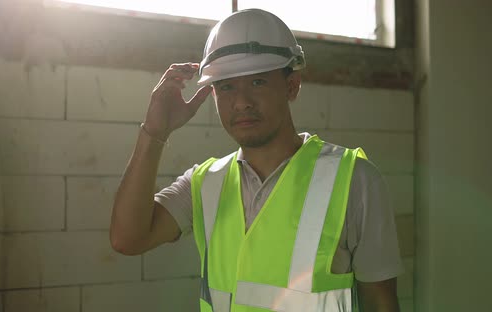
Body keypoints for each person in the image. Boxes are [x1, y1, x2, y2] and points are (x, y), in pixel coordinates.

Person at [111, 8, 403, 312]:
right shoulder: (205, 184)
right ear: (213, 95)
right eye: (226, 87)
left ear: (292, 86)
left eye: (258, 82)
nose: (241, 102)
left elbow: (381, 302)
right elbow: (127, 239)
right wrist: (155, 133)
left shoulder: (354, 180)